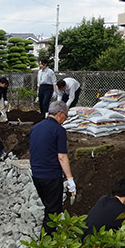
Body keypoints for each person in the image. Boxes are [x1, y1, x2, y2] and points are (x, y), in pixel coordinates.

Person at [29, 100, 75, 235]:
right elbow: (62, 156)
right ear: (60, 113)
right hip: (51, 176)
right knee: (53, 211)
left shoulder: (36, 128)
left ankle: (50, 234)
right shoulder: (59, 130)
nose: (65, 120)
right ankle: (46, 240)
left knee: (49, 205)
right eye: (66, 116)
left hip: (36, 175)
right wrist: (70, 178)